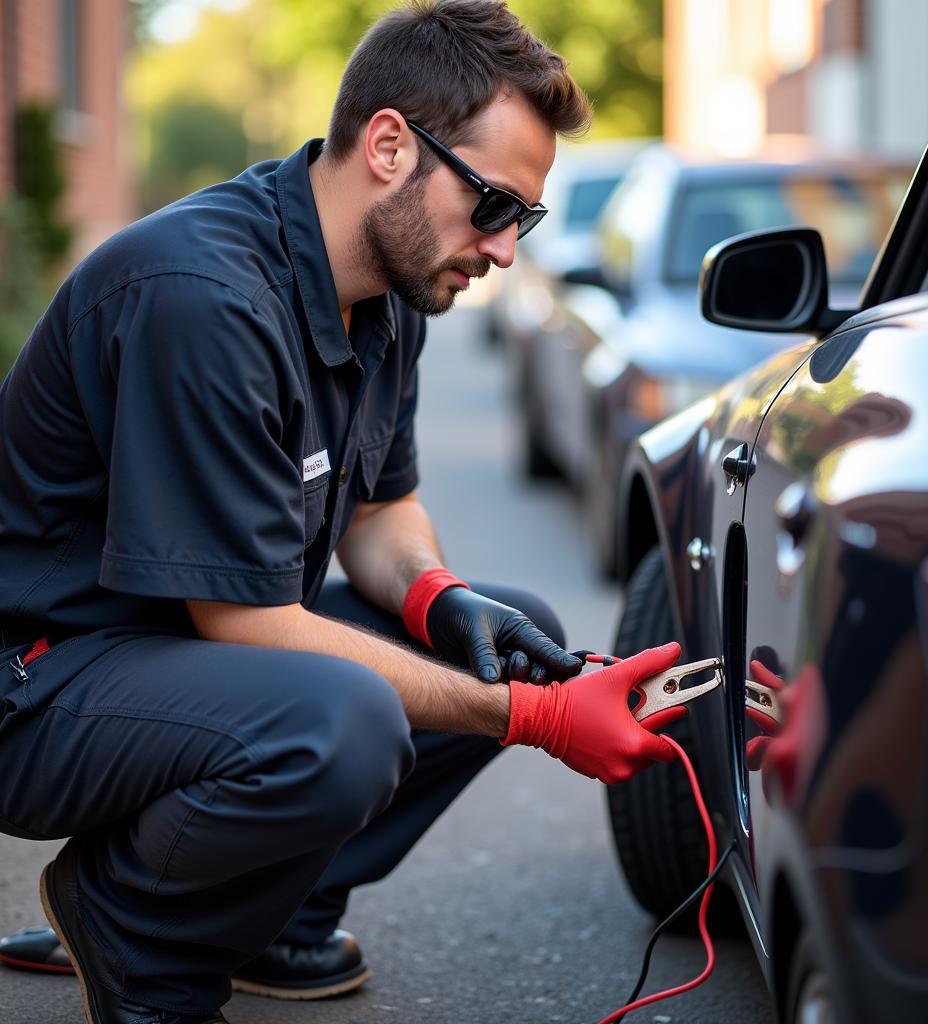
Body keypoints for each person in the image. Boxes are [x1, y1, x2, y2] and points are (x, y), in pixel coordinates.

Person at [0, 2, 685, 1021]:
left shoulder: (391, 293)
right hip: (46, 686)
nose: (502, 250)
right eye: (493, 204)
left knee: (504, 638)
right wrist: (534, 718)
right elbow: (249, 627)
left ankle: (267, 913)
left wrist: (440, 597)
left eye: (523, 222)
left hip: (188, 656)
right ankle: (138, 927)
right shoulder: (203, 298)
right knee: (345, 716)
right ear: (389, 144)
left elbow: (380, 513)